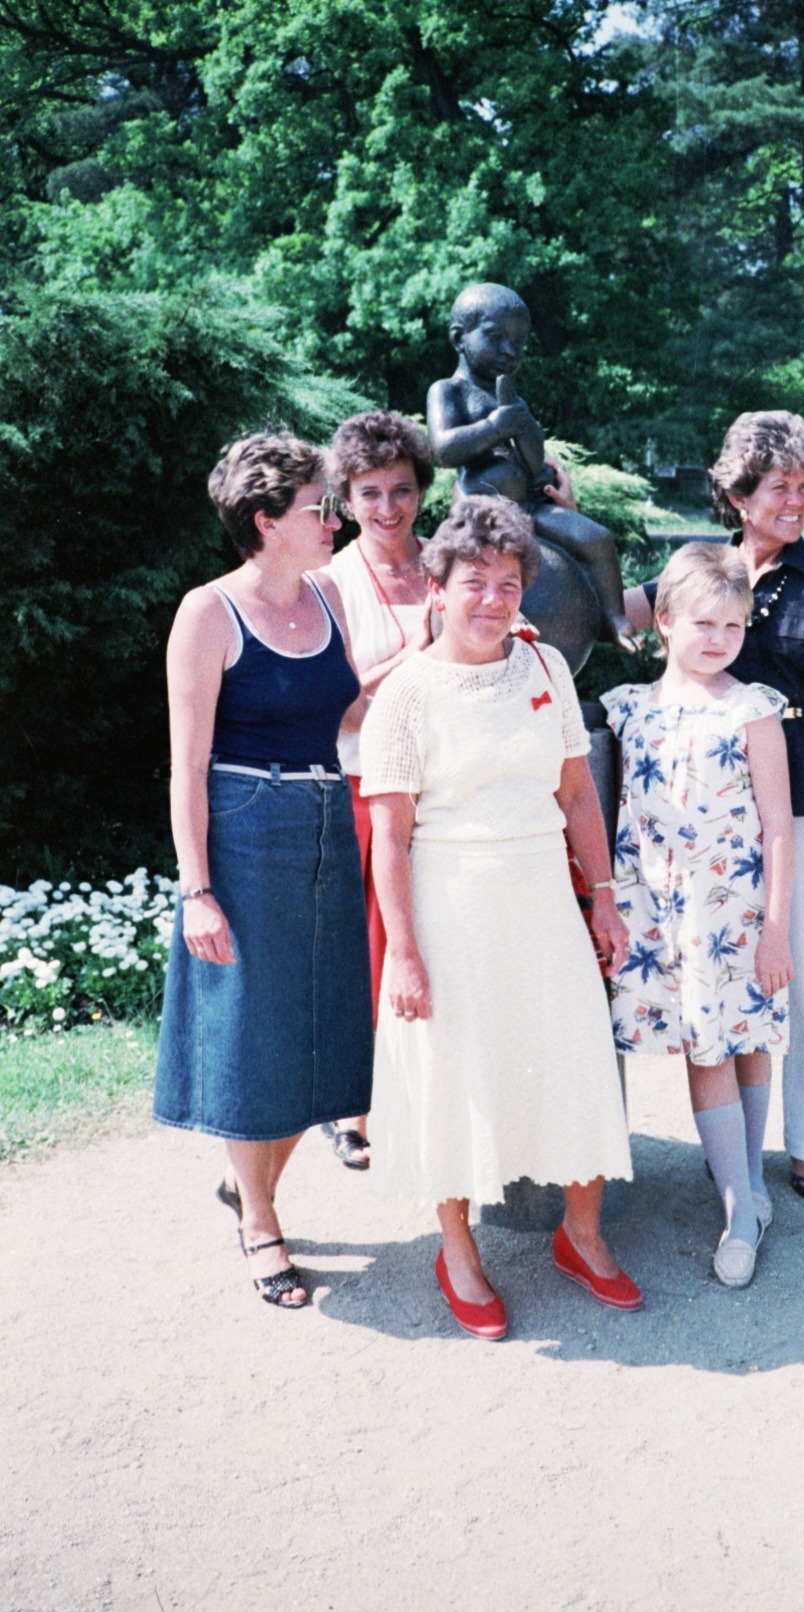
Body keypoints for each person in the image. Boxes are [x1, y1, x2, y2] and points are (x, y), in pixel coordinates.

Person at [359, 494, 640, 1341]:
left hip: (542, 900)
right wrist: (402, 953)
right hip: (449, 904)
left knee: (574, 1061)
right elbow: (390, 839)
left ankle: (580, 1235)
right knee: (455, 1075)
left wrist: (602, 895)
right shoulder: (404, 695)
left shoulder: (546, 668)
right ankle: (458, 1252)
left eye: (508, 583)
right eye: (474, 581)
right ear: (436, 589)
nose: (492, 598)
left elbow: (577, 790)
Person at [625, 411, 804, 1208]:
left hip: (798, 799)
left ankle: (803, 1148)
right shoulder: (698, 567)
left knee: (799, 978)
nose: (796, 500)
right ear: (739, 496)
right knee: (712, 981)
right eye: (780, 487)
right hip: (700, 819)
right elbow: (619, 615)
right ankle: (731, 1148)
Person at [153, 431, 372, 1308]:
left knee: (321, 1020)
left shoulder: (326, 595)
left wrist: (454, 649)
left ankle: (247, 1182)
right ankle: (260, 1220)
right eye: (321, 507)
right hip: (245, 828)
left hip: (327, 818)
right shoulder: (207, 613)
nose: (337, 520)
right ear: (266, 520)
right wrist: (195, 888)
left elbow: (351, 704)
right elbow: (187, 764)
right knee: (255, 1028)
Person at [604, 542, 793, 1288]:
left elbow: (777, 823)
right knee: (702, 1046)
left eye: (734, 625)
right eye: (702, 622)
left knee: (743, 1038)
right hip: (663, 912)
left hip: (738, 910)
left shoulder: (752, 710)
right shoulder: (631, 710)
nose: (718, 638)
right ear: (664, 623)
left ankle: (744, 1200)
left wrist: (775, 926)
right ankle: (739, 1197)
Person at [321, 410, 438, 1171]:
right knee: (370, 948)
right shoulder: (328, 583)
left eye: (401, 489)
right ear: (345, 497)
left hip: (447, 784)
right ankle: (353, 1106)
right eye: (370, 492)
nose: (388, 507)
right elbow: (337, 704)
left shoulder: (447, 563)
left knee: (438, 943)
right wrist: (420, 649)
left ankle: (424, 1093)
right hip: (364, 785)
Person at [426, 281, 639, 653]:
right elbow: (444, 449)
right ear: (460, 338)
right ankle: (510, 614)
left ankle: (614, 619)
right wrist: (496, 426)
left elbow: (532, 457)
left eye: (519, 343)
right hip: (481, 510)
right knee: (488, 561)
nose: (510, 351)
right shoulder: (448, 391)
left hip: (528, 508)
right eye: (496, 337)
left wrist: (528, 440)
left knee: (598, 539)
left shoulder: (510, 396)